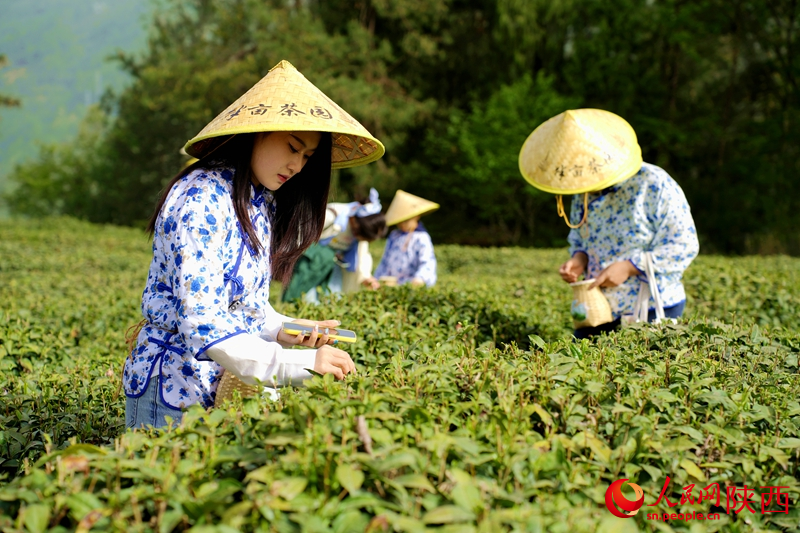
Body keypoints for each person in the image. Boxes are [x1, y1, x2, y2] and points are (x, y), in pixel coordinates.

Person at [122, 60, 385, 429]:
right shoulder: (201, 197)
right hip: (173, 387)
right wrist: (301, 365)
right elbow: (205, 323)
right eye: (293, 147)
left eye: (307, 157)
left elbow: (243, 307)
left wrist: (286, 329)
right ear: (256, 133)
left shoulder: (258, 201)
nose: (297, 165)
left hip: (220, 385)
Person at [518, 108, 699, 338]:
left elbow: (684, 245)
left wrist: (629, 267)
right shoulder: (582, 190)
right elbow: (579, 237)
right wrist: (578, 259)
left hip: (651, 306)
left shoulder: (654, 184)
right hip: (596, 307)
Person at [282, 188, 386, 302]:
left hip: (333, 266)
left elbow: (362, 254)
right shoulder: (333, 215)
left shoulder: (361, 230)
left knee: (330, 299)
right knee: (303, 298)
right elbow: (300, 233)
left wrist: (366, 277)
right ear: (356, 223)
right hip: (313, 263)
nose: (357, 238)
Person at [366, 190, 439, 288]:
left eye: (406, 220)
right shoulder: (394, 235)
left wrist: (419, 279)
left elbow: (427, 262)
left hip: (409, 287)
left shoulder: (421, 237)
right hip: (390, 285)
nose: (402, 224)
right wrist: (377, 279)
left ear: (416, 216)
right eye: (400, 221)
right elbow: (385, 261)